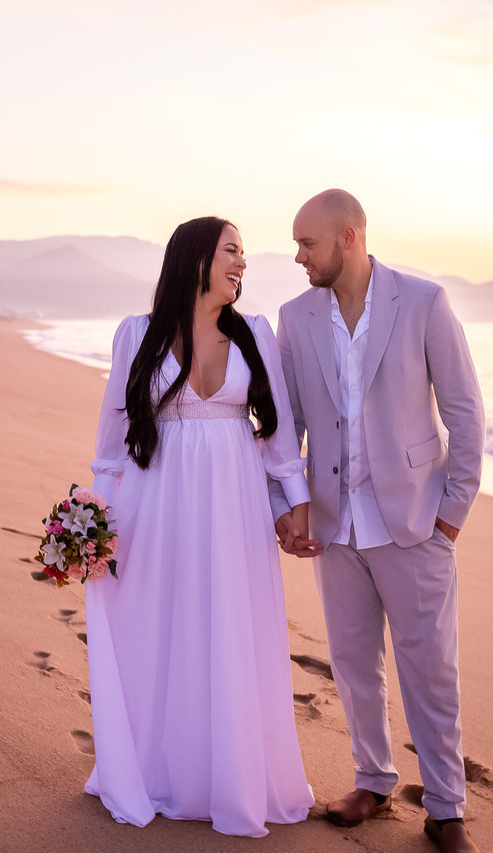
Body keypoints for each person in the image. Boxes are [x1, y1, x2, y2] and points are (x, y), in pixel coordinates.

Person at [269, 190, 486, 853]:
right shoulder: (294, 316)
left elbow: (465, 411)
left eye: (308, 243)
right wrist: (290, 506)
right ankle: (372, 778)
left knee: (431, 668)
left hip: (415, 523)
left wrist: (450, 516)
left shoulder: (423, 302)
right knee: (353, 663)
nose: (299, 256)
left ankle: (446, 805)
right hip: (336, 527)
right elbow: (289, 426)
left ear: (350, 238)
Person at [84, 216, 315, 837]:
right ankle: (163, 767)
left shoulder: (254, 334)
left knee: (229, 624)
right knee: (161, 624)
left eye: (245, 254)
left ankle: (228, 774)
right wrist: (92, 521)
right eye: (231, 252)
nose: (242, 264)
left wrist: (294, 504)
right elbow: (111, 446)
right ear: (194, 261)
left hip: (232, 506)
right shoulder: (137, 334)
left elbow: (278, 435)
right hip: (157, 504)